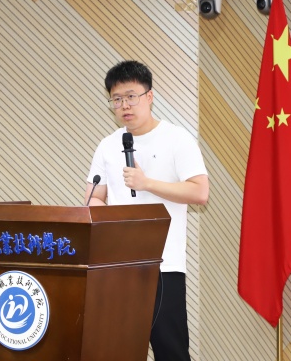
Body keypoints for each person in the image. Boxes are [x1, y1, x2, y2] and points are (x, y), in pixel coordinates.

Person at [84, 60, 209, 361]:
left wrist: (147, 183)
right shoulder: (107, 145)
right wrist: (113, 223)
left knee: (171, 352)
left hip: (163, 266)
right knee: (117, 351)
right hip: (117, 265)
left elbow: (200, 192)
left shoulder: (177, 138)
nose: (124, 105)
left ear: (149, 96)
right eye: (116, 99)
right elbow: (93, 198)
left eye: (131, 96)